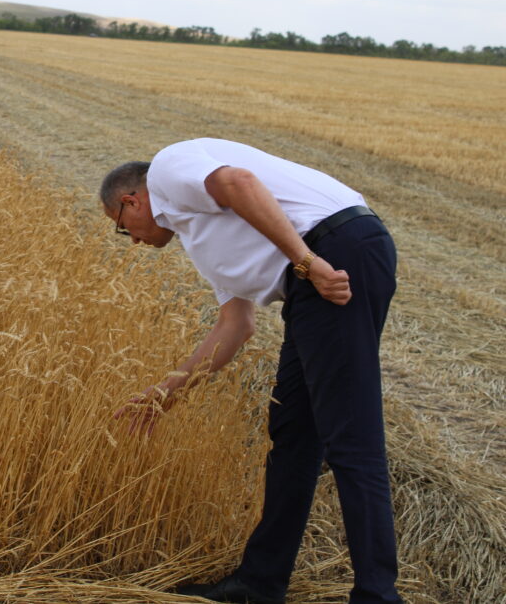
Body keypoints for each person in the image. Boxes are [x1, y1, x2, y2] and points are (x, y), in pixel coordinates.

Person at [102, 138, 401, 604]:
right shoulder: (201, 235)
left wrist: (309, 263)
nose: (135, 241)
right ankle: (260, 583)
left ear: (131, 201)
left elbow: (238, 181)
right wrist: (166, 393)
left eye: (124, 229)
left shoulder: (166, 170)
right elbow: (235, 327)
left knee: (350, 436)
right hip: (314, 276)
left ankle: (377, 596)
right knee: (294, 435)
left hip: (336, 251)